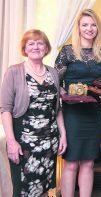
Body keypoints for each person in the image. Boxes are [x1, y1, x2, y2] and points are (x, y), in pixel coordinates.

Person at [0, 29, 67, 197]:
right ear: (25, 48)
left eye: (40, 43)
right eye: (31, 43)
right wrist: (11, 142)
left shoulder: (53, 73)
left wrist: (63, 135)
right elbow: (5, 109)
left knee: (44, 188)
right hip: (23, 143)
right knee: (23, 190)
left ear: (46, 48)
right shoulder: (14, 72)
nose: (36, 47)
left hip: (49, 142)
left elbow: (57, 109)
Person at [55, 9, 101, 197]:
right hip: (72, 113)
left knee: (88, 162)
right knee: (71, 162)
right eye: (85, 25)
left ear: (98, 28)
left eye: (93, 25)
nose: (89, 28)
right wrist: (63, 93)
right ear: (78, 28)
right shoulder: (67, 52)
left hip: (93, 112)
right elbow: (56, 82)